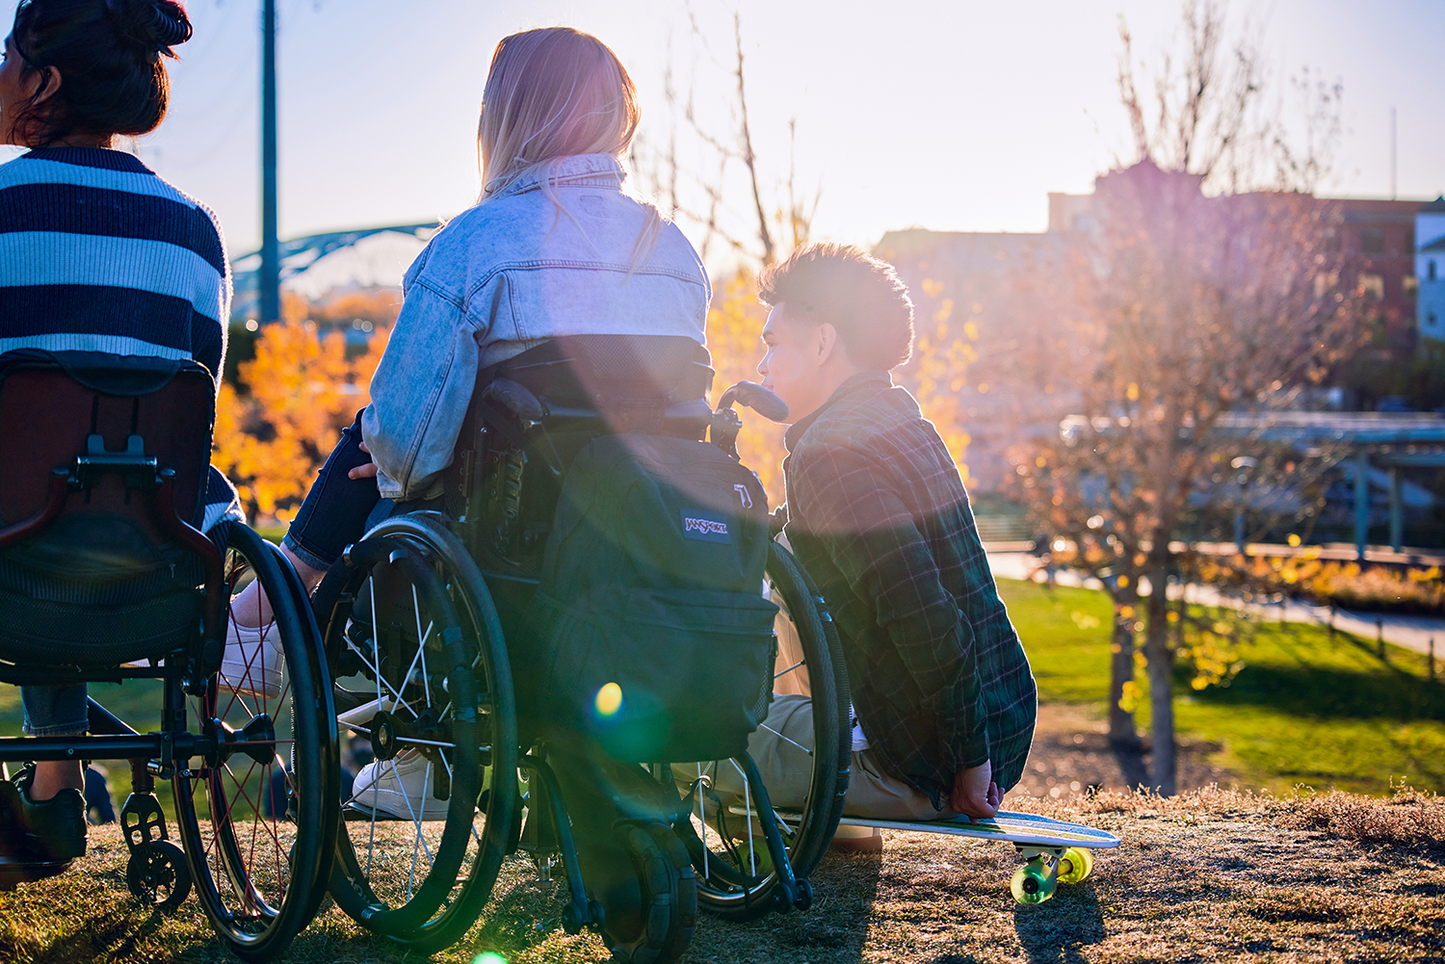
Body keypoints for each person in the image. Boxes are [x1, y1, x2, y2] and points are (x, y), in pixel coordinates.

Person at [226, 26, 711, 818]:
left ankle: (274, 612)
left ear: (505, 117)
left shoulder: (475, 244)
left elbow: (407, 450)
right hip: (646, 528)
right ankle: (275, 610)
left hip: (505, 547)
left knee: (375, 439)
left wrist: (388, 459)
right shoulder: (675, 253)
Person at [0, 0, 239, 868]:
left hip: (11, 557)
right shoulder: (195, 233)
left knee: (29, 486)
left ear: (46, 83)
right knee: (72, 484)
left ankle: (50, 791)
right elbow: (194, 401)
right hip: (154, 561)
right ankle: (54, 787)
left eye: (7, 55)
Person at [747, 243, 1036, 831]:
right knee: (779, 555)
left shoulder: (831, 452)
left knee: (676, 734)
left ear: (824, 344)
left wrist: (968, 761)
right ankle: (843, 797)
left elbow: (924, 615)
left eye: (773, 344)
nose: (761, 367)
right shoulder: (901, 419)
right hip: (993, 725)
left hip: (926, 763)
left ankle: (846, 776)